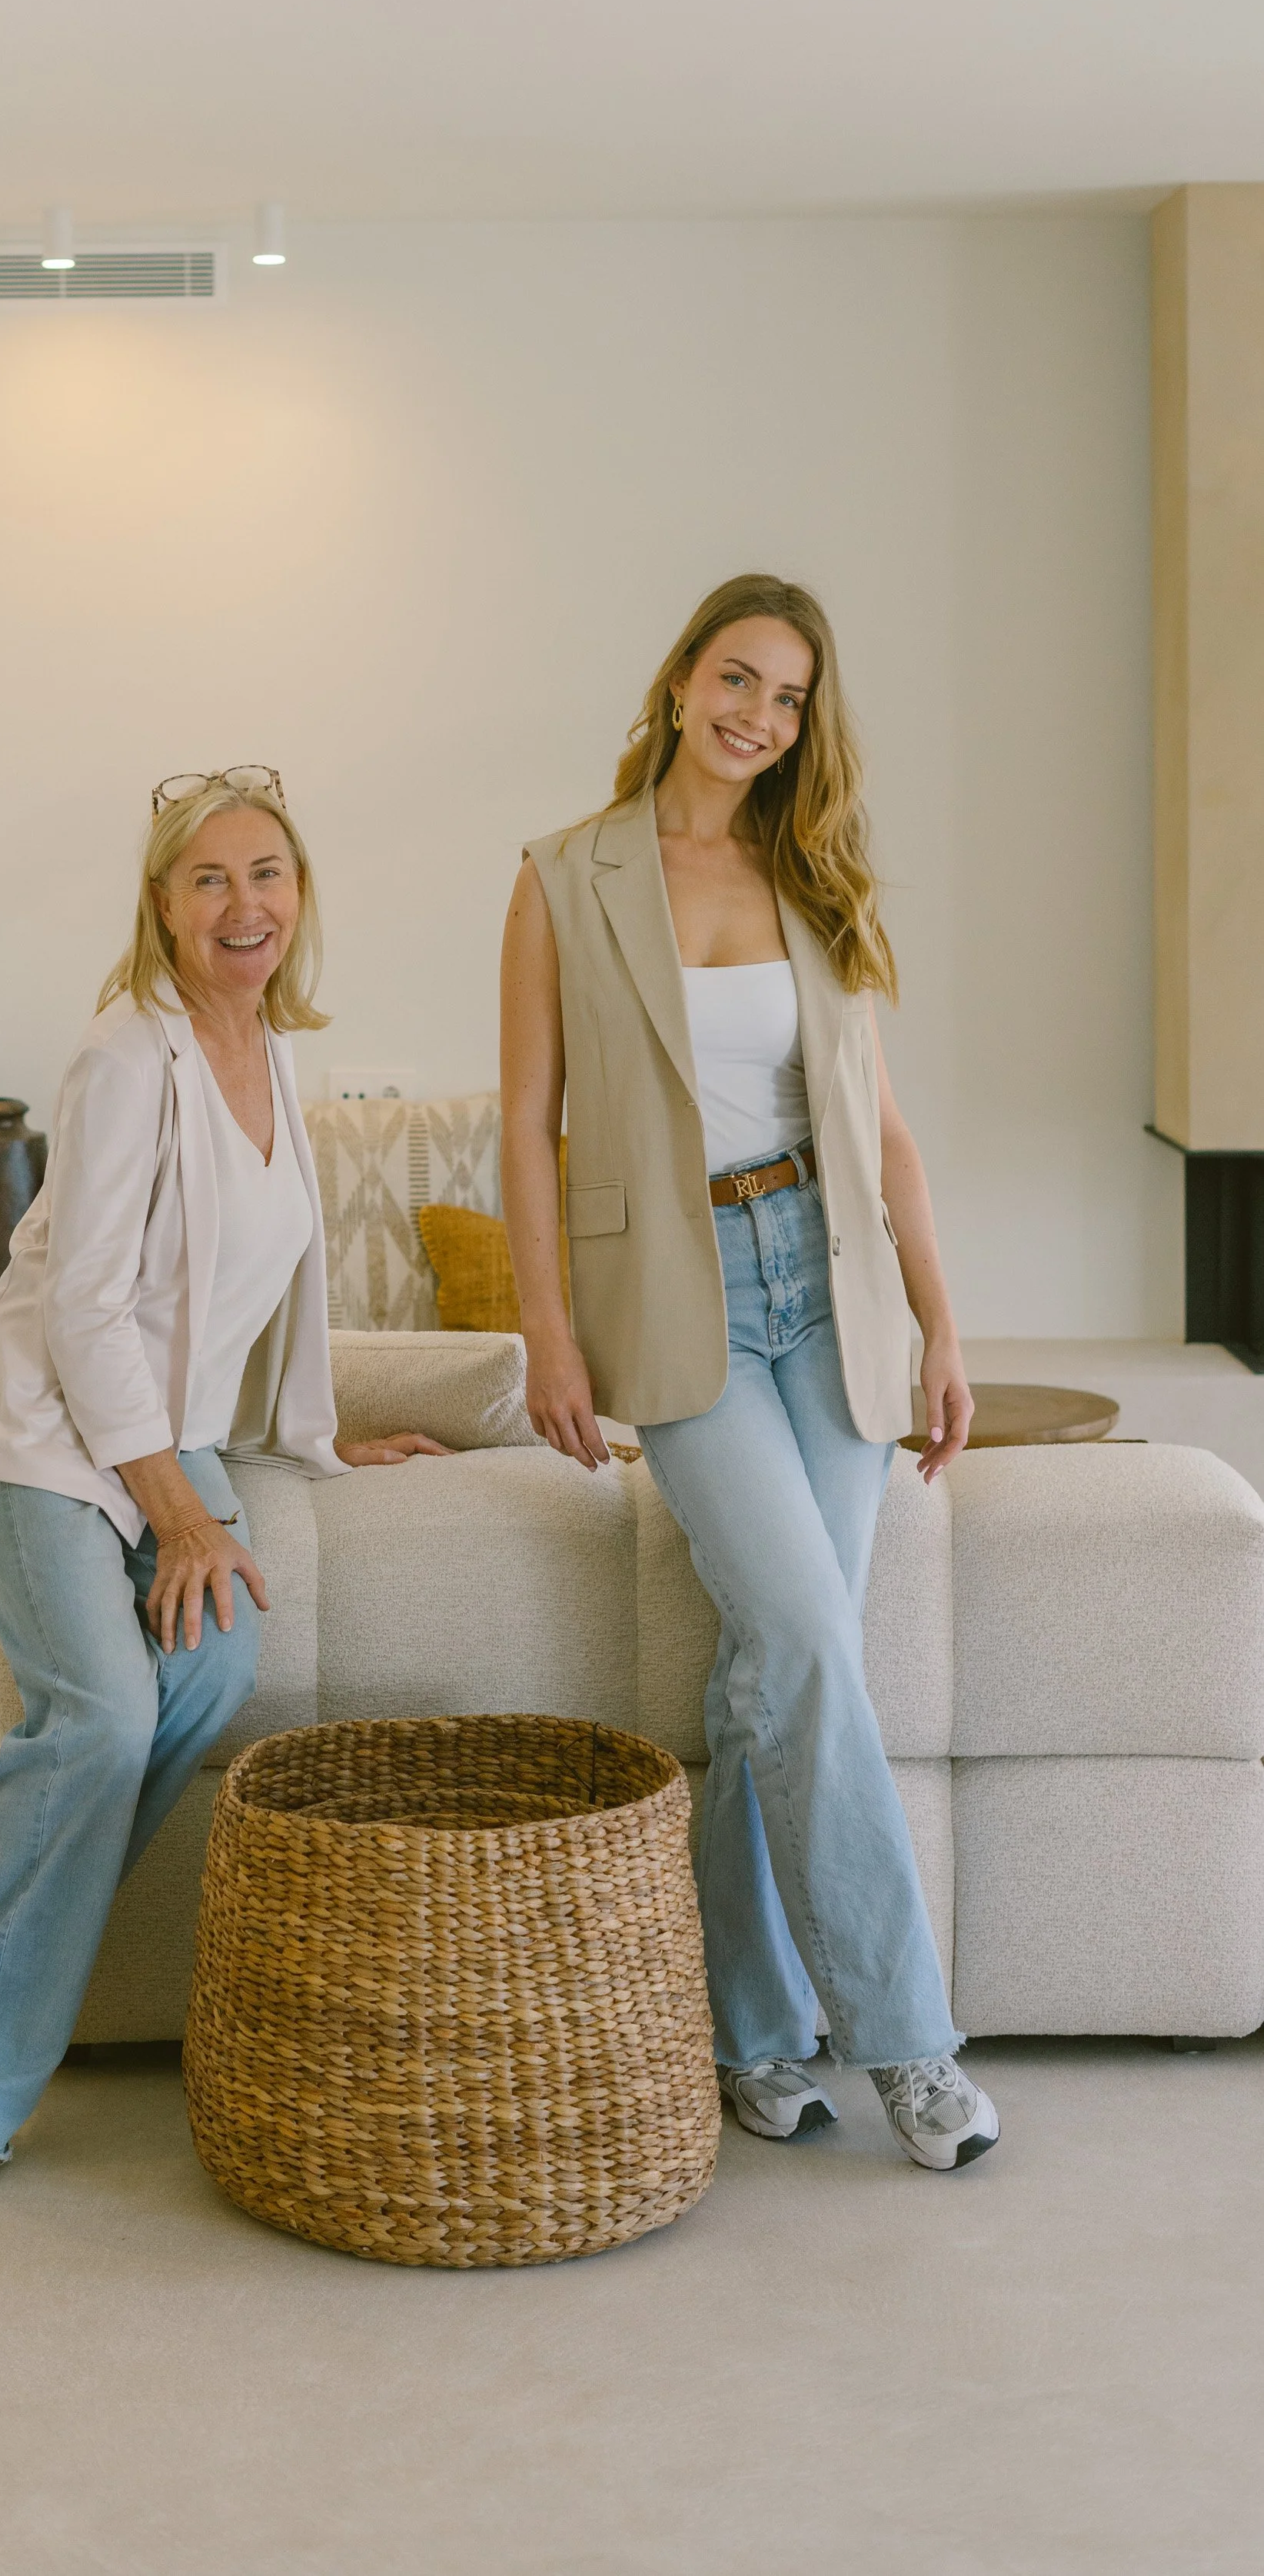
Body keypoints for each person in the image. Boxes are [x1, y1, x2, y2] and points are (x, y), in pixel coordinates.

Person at [0, 767, 448, 2190]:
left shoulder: (281, 1058)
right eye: (212, 880)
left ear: (302, 896)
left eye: (270, 875)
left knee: (217, 1660)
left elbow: (283, 1285)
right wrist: (173, 1511)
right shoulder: (126, 1058)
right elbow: (85, 1311)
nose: (247, 906)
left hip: (179, 1440)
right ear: (164, 908)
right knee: (107, 1719)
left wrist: (319, 1433)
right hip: (49, 1439)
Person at [500, 576, 999, 2173]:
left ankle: (747, 2026)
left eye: (785, 700)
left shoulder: (813, 872)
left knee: (771, 1673)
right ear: (677, 680)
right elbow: (526, 1121)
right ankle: (910, 2045)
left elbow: (881, 1129)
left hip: (827, 1289)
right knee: (796, 1637)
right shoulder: (562, 877)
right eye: (735, 679)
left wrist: (940, 1322)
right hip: (676, 1305)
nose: (755, 718)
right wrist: (546, 1333)